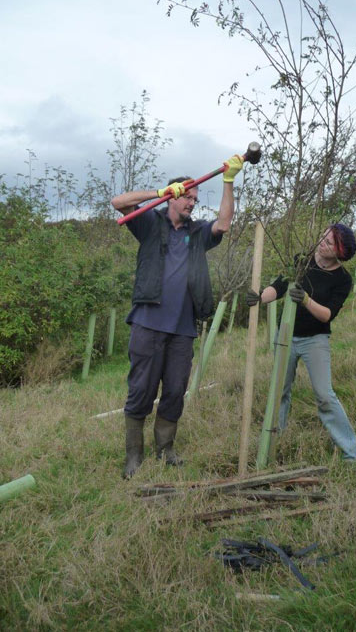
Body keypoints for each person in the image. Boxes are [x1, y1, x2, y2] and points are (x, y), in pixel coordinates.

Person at [111, 155, 243, 478]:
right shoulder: (149, 223)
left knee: (174, 390)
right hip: (147, 324)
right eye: (188, 196)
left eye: (196, 199)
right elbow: (118, 202)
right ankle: (134, 455)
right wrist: (159, 192)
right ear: (175, 195)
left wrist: (228, 181)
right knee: (141, 389)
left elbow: (224, 223)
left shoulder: (198, 232)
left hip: (183, 330)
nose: (192, 203)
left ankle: (166, 449)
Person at [246, 224, 356, 460]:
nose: (322, 243)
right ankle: (272, 442)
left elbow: (328, 314)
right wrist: (259, 297)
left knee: (324, 395)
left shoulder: (343, 280)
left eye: (329, 243)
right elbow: (277, 287)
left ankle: (350, 452)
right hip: (285, 335)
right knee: (280, 391)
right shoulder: (302, 261)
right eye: (323, 237)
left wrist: (306, 300)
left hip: (315, 340)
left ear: (340, 252)